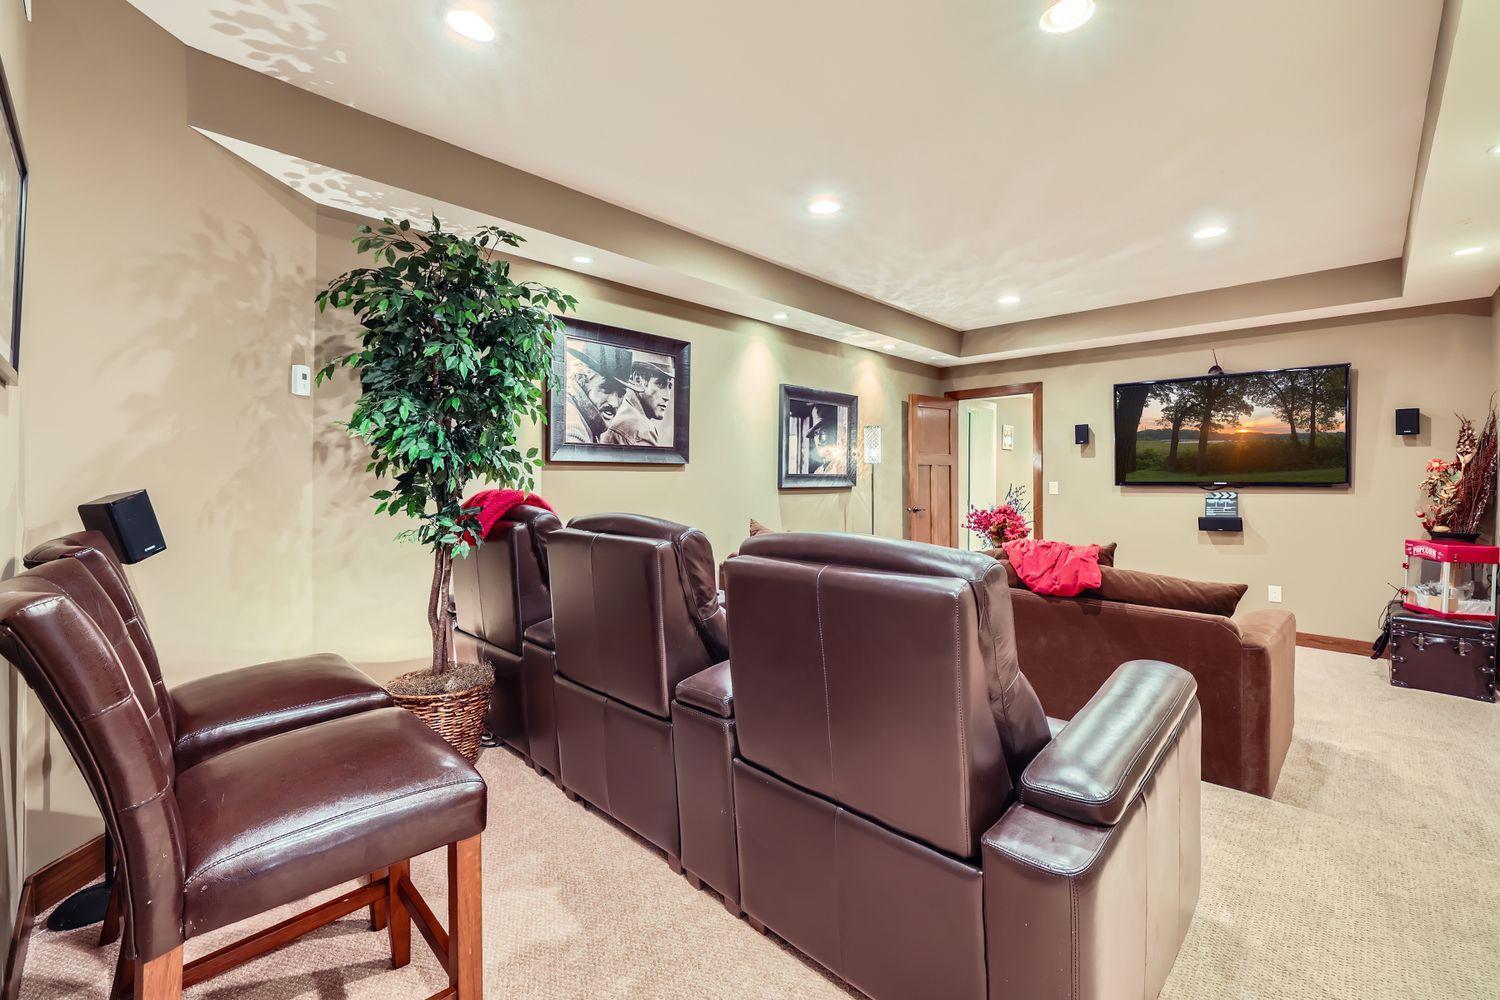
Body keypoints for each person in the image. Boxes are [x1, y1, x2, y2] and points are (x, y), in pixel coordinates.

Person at [564, 341, 633, 444]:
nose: (614, 403)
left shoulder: (587, 423)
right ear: (581, 379)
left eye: (620, 394)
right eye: (607, 388)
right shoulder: (573, 428)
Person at [602, 352, 674, 447]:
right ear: (637, 380)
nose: (667, 397)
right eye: (660, 384)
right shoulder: (641, 429)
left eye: (669, 386)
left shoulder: (619, 410)